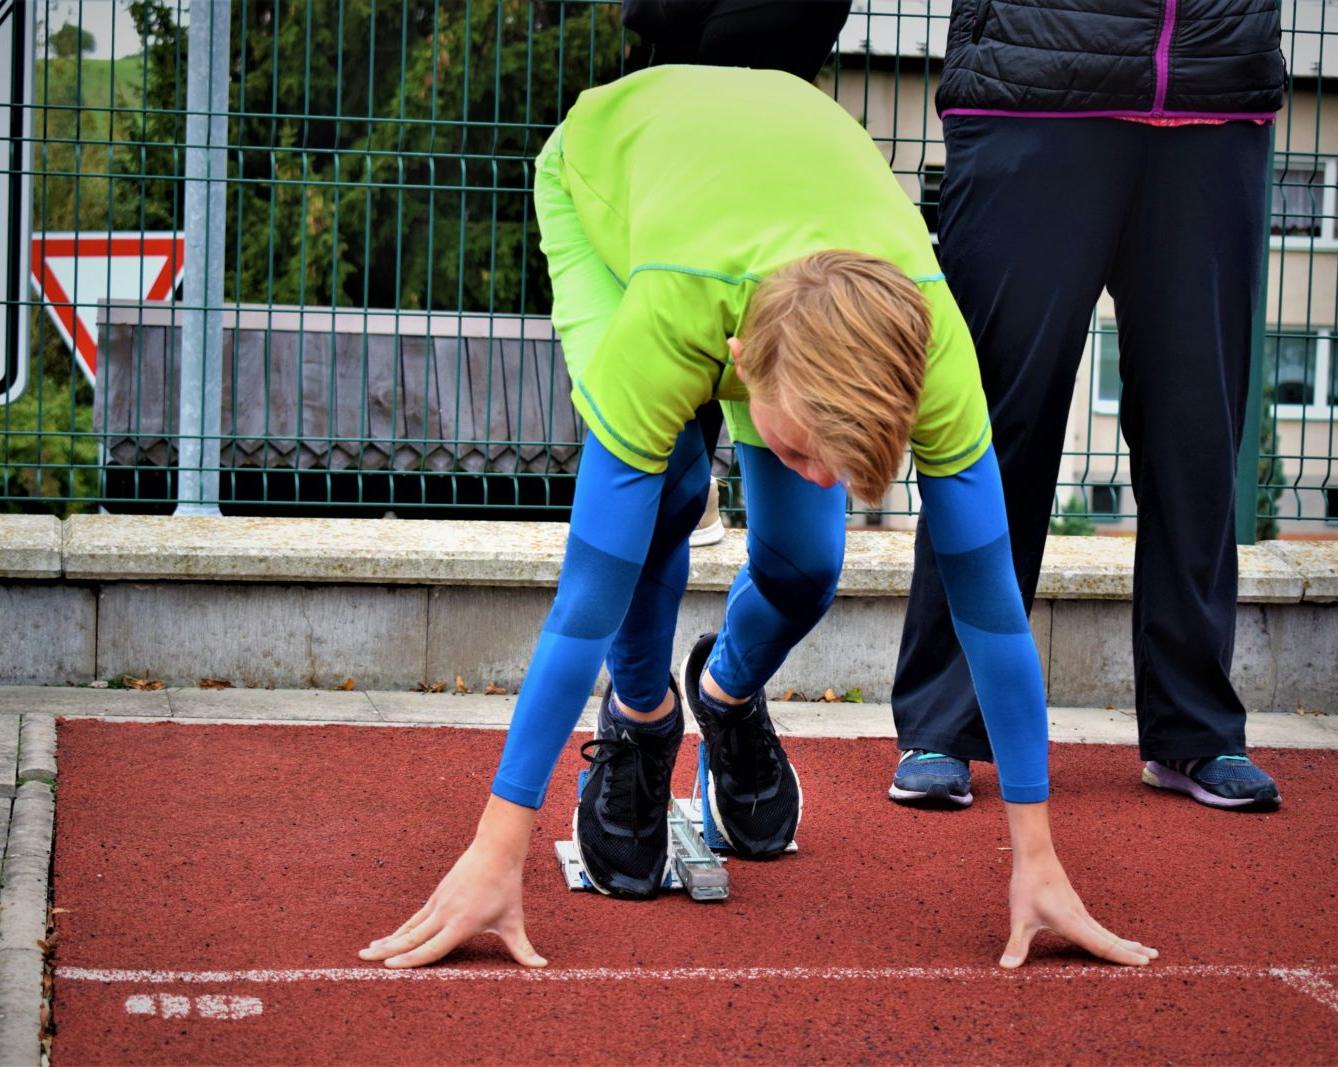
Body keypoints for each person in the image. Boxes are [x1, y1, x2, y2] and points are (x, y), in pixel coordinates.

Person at [358, 65, 1157, 971]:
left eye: (838, 461)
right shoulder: (678, 312)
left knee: (809, 563)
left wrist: (1039, 857)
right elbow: (583, 602)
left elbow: (993, 611)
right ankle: (643, 716)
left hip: (764, 204)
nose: (822, 472)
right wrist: (495, 847)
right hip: (609, 193)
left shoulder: (933, 354)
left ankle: (727, 694)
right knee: (656, 492)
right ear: (741, 361)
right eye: (808, 448)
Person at [890, 2, 1286, 812]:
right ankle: (944, 721)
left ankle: (1193, 727)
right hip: (1034, 84)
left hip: (1216, 93)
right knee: (999, 427)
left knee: (1197, 436)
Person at [620, 0, 855, 549]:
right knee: (658, 519)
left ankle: (704, 495)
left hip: (752, 117)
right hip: (676, 116)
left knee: (802, 563)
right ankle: (692, 488)